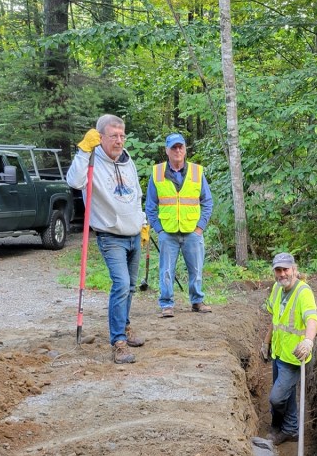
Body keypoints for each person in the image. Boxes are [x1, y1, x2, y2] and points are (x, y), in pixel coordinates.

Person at [66, 114, 150, 364]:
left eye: (122, 135)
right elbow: (74, 181)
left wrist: (142, 221)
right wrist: (83, 151)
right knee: (121, 284)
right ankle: (118, 342)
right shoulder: (91, 160)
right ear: (100, 137)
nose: (119, 140)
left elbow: (136, 193)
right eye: (113, 135)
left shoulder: (128, 161)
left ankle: (124, 327)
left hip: (134, 233)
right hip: (110, 236)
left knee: (131, 287)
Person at [145, 132, 213, 317]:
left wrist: (200, 227)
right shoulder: (157, 173)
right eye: (173, 147)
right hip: (168, 231)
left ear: (185, 149)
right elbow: (150, 205)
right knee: (166, 270)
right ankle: (166, 304)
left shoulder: (197, 172)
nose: (177, 150)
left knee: (197, 269)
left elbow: (207, 201)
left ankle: (197, 301)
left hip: (192, 231)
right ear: (167, 150)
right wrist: (158, 229)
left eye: (180, 147)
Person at [260, 252, 317, 444]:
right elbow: (274, 320)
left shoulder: (303, 292)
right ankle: (290, 428)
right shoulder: (277, 289)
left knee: (277, 398)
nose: (282, 274)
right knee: (286, 392)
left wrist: (308, 341)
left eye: (286, 269)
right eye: (278, 270)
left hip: (294, 356)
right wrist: (266, 342)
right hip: (279, 351)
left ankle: (281, 427)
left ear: (294, 269)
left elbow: (312, 319)